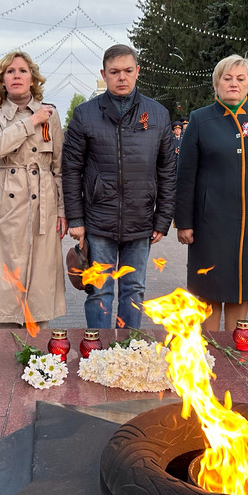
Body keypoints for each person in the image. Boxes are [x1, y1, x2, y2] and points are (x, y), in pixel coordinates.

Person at [62, 44, 176, 329]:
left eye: (127, 71)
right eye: (114, 72)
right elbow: (72, 169)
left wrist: (163, 218)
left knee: (134, 289)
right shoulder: (85, 114)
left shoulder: (158, 114)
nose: (121, 77)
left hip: (141, 219)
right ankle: (97, 351)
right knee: (99, 290)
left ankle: (129, 349)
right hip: (99, 220)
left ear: (138, 72)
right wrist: (75, 218)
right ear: (104, 74)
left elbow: (168, 170)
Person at [175, 54, 248, 331]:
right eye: (227, 78)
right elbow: (185, 175)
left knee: (242, 287)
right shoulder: (200, 120)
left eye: (241, 79)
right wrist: (184, 222)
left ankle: (236, 348)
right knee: (210, 289)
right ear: (217, 84)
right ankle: (211, 352)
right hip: (209, 222)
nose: (234, 84)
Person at [0, 51, 67, 328]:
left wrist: (62, 210)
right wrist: (31, 121)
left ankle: (39, 356)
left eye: (22, 71)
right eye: (10, 72)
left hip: (43, 203)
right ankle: (7, 347)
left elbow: (59, 165)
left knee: (41, 283)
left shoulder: (52, 114)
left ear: (33, 79)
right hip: (6, 204)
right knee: (6, 282)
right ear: (1, 81)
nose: (16, 76)